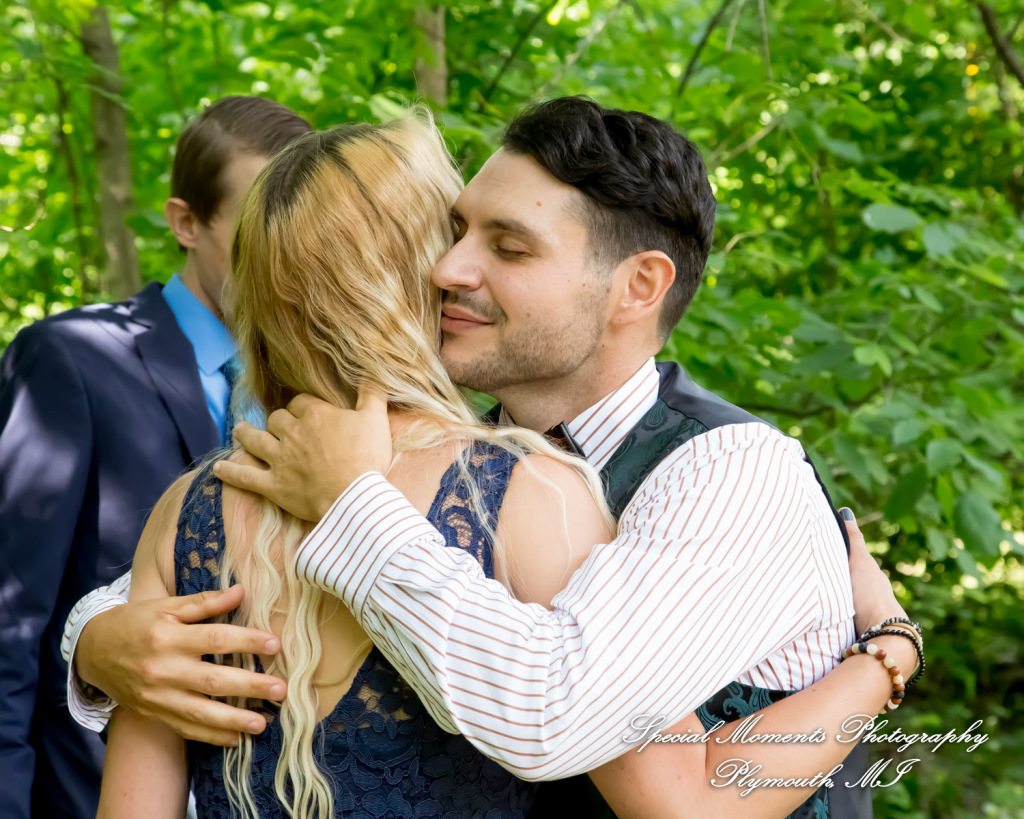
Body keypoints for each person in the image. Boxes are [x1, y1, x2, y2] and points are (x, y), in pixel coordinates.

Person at [67, 99, 921, 818]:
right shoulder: (486, 466)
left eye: (508, 248)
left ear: (639, 286)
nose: (450, 268)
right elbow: (148, 621)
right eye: (455, 230)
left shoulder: (729, 473)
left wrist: (882, 659)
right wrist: (95, 646)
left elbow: (571, 722)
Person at [0, 95, 311, 819]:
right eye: (258, 226)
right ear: (186, 222)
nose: (284, 257)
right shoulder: (70, 359)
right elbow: (10, 627)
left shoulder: (323, 391)